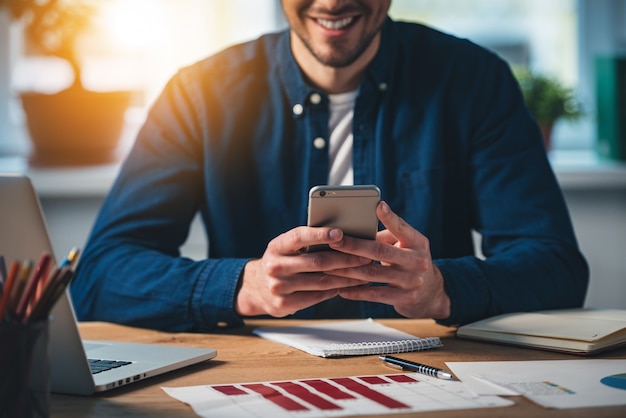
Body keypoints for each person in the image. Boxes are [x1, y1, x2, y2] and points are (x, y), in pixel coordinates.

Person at [71, 0, 589, 332]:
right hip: (255, 381)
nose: (334, 2)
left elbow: (556, 267)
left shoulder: (473, 79)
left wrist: (440, 289)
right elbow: (99, 274)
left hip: (435, 378)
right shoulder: (199, 93)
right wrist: (243, 286)